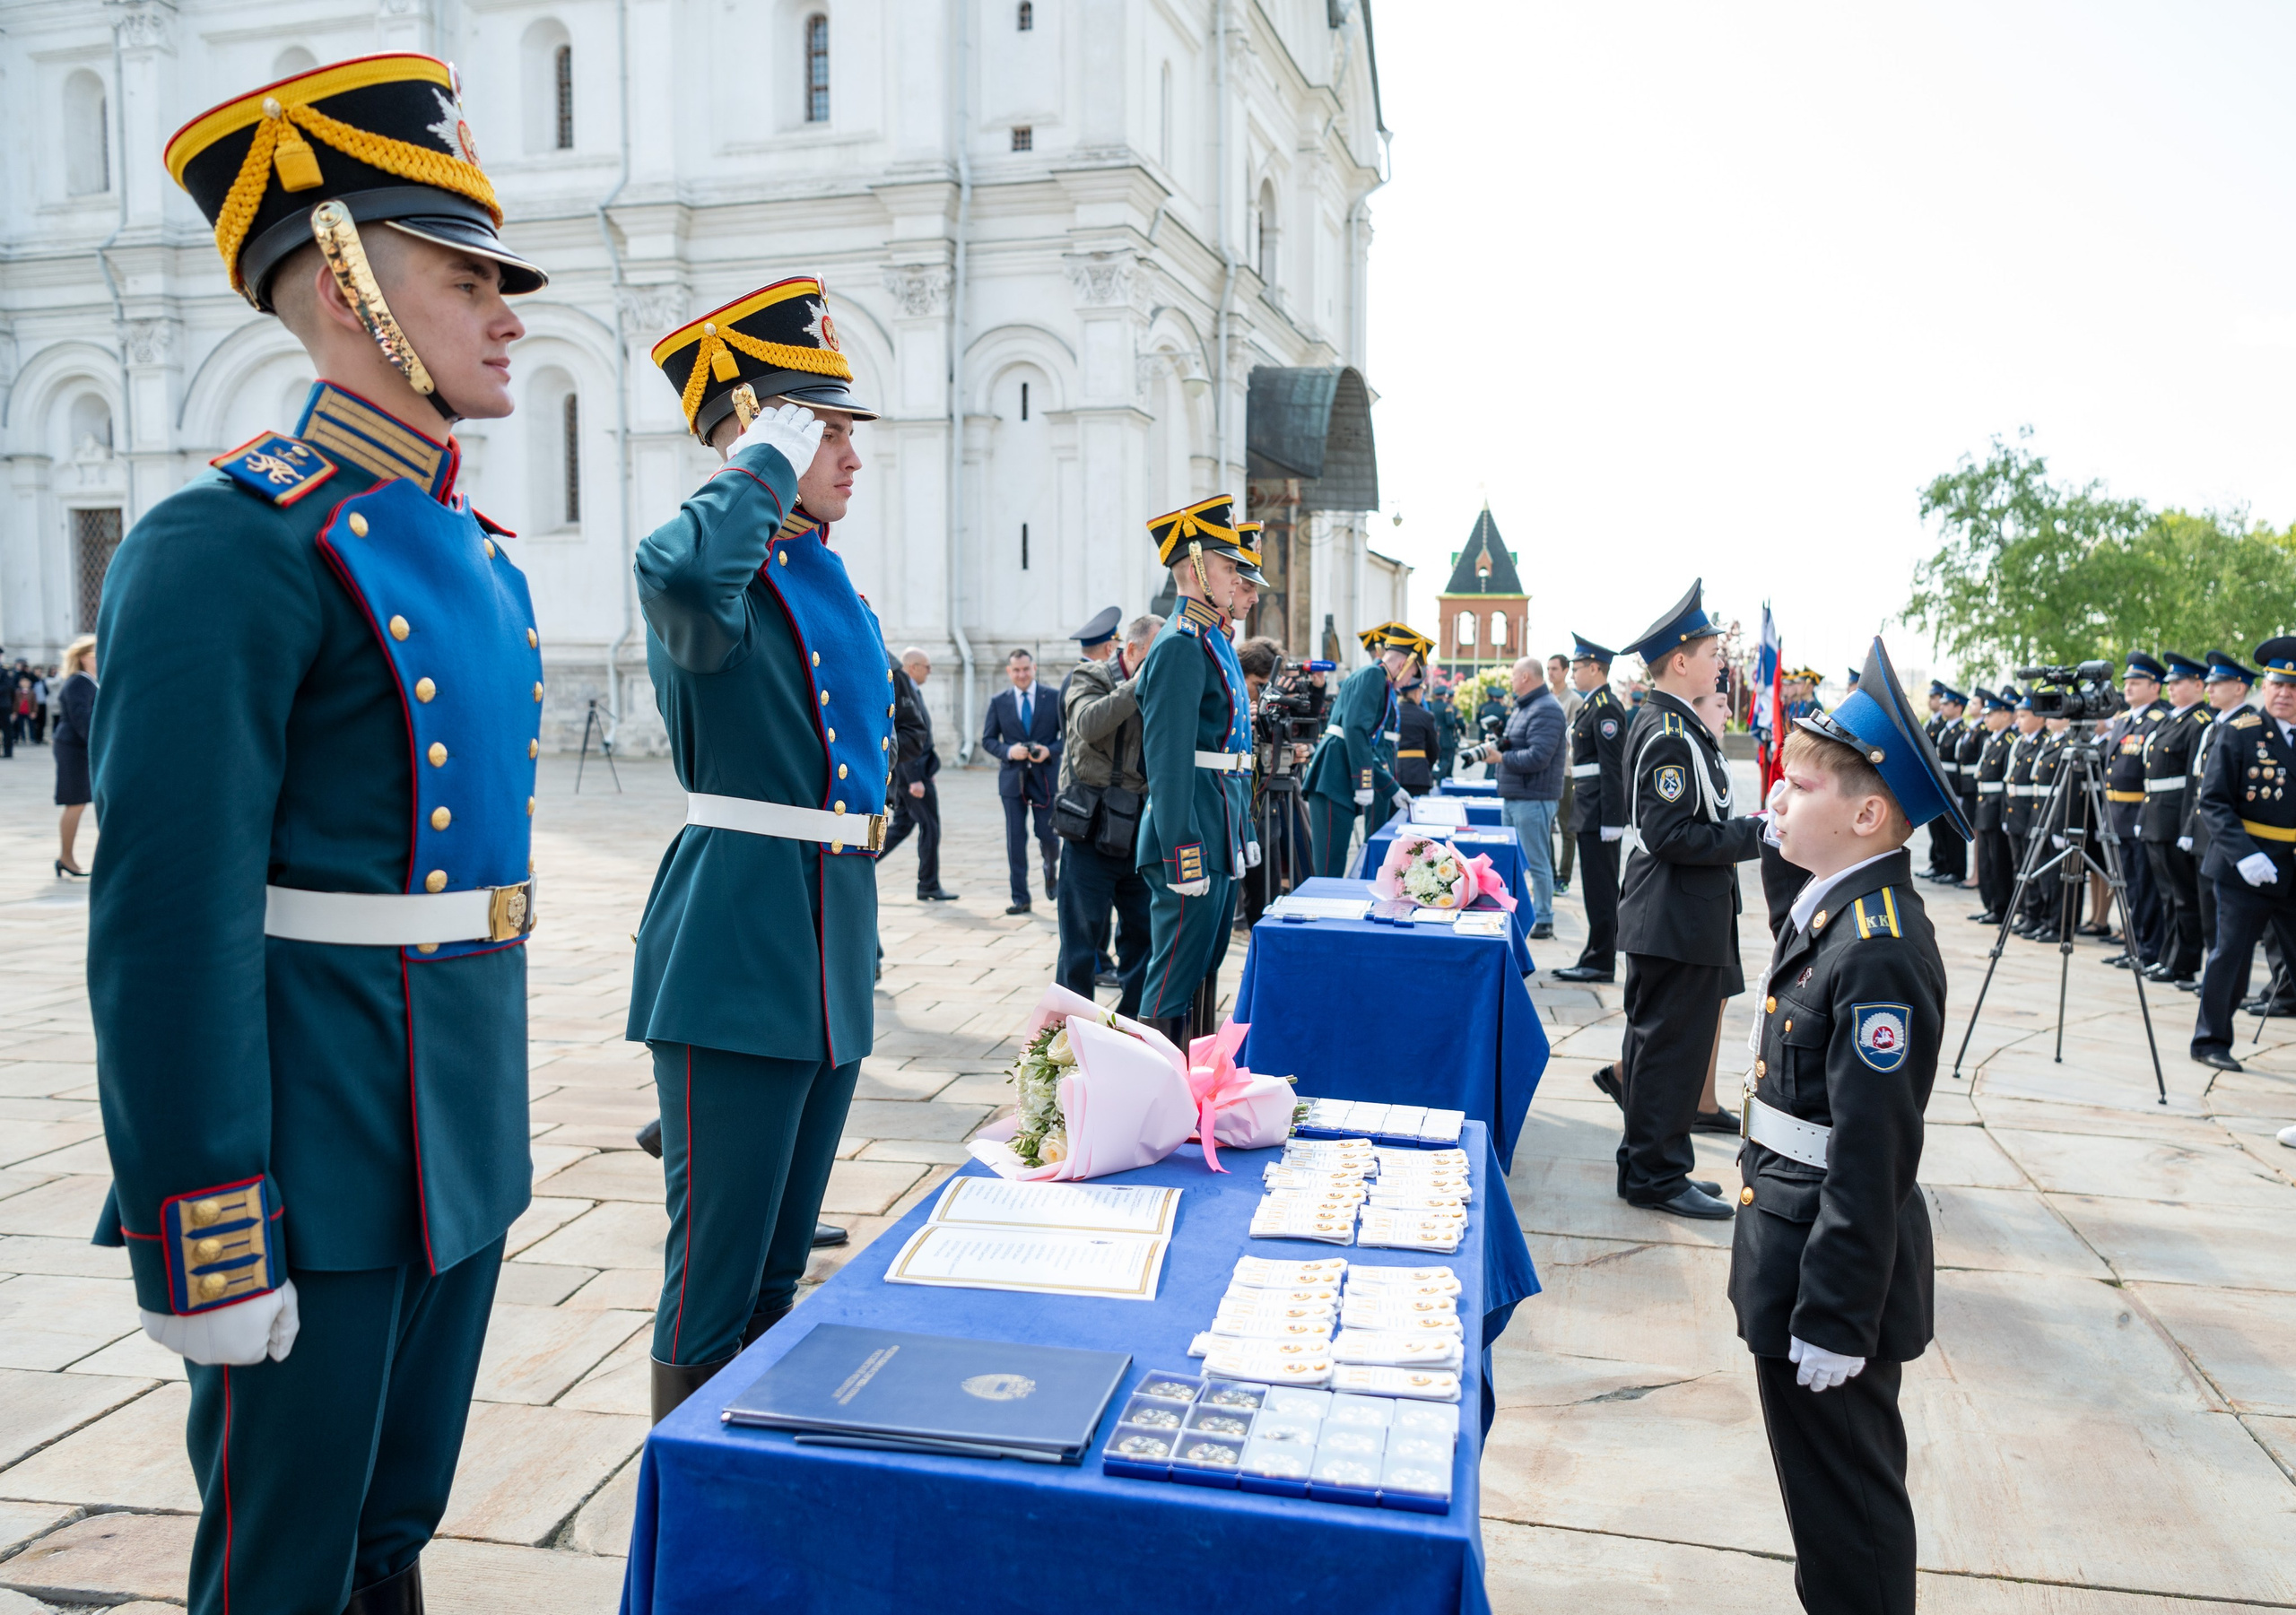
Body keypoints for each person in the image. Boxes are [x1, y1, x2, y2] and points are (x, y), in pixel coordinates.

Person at [88, 55, 549, 1615]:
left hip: (458, 1125)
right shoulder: (229, 545)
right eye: (465, 274)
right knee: (281, 1570)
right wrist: (205, 1229)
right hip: (318, 1147)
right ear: (346, 281)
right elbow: (166, 927)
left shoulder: (472, 552)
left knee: (388, 1543)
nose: (507, 313)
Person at [628, 276, 887, 1421]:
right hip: (736, 942)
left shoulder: (822, 573)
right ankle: (686, 1510)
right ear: (759, 433)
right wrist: (758, 464)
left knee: (780, 1268)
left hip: (825, 939)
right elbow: (682, 573)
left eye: (838, 429)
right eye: (821, 427)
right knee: (715, 1277)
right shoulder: (715, 570)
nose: (847, 451)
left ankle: (755, 1471)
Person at [1735, 636, 1957, 1615]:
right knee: (1821, 1516)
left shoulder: (1878, 949)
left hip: (1833, 1277)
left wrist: (1833, 1315)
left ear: (1867, 815)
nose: (1775, 798)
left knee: (1850, 1520)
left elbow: (1871, 1154)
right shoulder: (1833, 909)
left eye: (1799, 786)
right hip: (1792, 1246)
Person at [1613, 579, 1764, 1220]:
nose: (1719, 662)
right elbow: (1670, 833)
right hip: (1672, 917)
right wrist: (1761, 833)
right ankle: (1652, 1175)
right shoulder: (1669, 732)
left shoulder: (1677, 724)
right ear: (1680, 660)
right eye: (1711, 652)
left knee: (1668, 1051)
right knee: (1668, 1054)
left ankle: (1661, 1165)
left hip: (1680, 917)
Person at [1134, 497, 1257, 1046]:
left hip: (1217, 819)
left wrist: (1241, 832)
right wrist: (1183, 848)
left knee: (1202, 971)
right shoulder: (1182, 645)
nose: (1237, 579)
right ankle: (1148, 1092)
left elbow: (1233, 752)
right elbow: (1168, 761)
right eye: (1230, 567)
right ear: (1197, 566)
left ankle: (1187, 1087)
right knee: (1171, 981)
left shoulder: (1212, 640)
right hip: (1192, 829)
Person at [2187, 637, 2296, 1073]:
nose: (2284, 694)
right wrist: (2245, 856)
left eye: (2293, 687)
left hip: (2292, 869)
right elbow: (2212, 802)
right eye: (2277, 685)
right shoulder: (2240, 733)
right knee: (2229, 957)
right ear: (2265, 688)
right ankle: (2210, 1040)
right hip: (2245, 867)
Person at [1057, 610, 1157, 1014]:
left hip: (1140, 832)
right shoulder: (1091, 677)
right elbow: (1088, 723)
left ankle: (1130, 1038)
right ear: (1130, 650)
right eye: (1154, 656)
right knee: (1080, 947)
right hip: (1091, 831)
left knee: (1143, 942)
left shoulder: (1160, 686)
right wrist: (1138, 684)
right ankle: (1069, 1046)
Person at [1301, 623, 1423, 877]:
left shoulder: (1378, 678)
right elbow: (1356, 729)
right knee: (1328, 869)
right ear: (1404, 663)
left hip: (1339, 772)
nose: (1410, 681)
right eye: (1413, 673)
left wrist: (1391, 787)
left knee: (1333, 864)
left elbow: (1365, 741)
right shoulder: (1373, 676)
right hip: (1334, 773)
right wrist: (1364, 782)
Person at [1553, 634, 1630, 985]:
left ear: (1595, 667)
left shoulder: (1606, 707)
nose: (1573, 674)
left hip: (1600, 813)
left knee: (1601, 890)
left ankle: (1601, 961)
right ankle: (1594, 953)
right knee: (1594, 889)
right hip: (1588, 807)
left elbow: (1614, 768)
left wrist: (1614, 820)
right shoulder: (1591, 705)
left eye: (1579, 667)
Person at [2180, 651, 2256, 977]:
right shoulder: (2215, 726)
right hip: (2204, 831)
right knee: (2209, 911)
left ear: (2239, 688)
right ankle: (2216, 976)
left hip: (2231, 835)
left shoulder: (2249, 727)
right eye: (2208, 683)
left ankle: (2268, 989)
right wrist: (2188, 827)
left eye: (2217, 683)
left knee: (2237, 920)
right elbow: (2198, 783)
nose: (2208, 689)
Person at [2137, 653, 2209, 985]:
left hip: (2175, 818)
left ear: (2198, 685)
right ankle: (2168, 955)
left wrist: (2187, 827)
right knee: (2167, 894)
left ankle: (2183, 962)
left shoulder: (2199, 723)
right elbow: (2150, 777)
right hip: (2156, 815)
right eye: (2170, 683)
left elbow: (2193, 781)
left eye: (2178, 683)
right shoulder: (2170, 720)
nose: (2171, 689)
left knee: (2184, 896)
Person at [2100, 654, 2170, 966]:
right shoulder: (2123, 720)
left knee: (2145, 888)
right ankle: (2133, 943)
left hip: (2140, 816)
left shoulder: (2159, 721)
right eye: (2126, 682)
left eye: (2136, 682)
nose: (2127, 688)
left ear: (2155, 687)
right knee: (2127, 886)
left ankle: (2148, 948)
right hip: (2117, 816)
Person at [983, 647, 1062, 914]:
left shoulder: (1052, 697)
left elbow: (1068, 735)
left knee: (1049, 835)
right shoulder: (999, 701)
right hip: (1012, 780)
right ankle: (1020, 897)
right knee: (1015, 839)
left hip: (1046, 779)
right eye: (1016, 670)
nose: (1022, 674)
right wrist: (1008, 751)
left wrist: (1049, 750)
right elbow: (988, 739)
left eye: (1026, 669)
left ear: (1034, 668)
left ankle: (1051, 868)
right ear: (1009, 671)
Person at [1493, 655, 1566, 942]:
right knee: (1518, 861)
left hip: (1533, 798)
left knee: (1537, 861)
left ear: (1525, 677)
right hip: (1517, 795)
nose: (1511, 680)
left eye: (1514, 675)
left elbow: (1538, 757)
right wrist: (1503, 744)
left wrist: (1501, 756)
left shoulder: (1546, 709)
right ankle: (1520, 913)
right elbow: (1520, 743)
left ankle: (1544, 918)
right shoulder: (1525, 707)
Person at [883, 647, 955, 901]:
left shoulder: (912, 688)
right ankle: (928, 884)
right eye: (927, 666)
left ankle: (867, 858)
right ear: (912, 666)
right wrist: (914, 778)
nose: (931, 670)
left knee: (903, 825)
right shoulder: (901, 682)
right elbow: (903, 734)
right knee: (930, 827)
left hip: (918, 773)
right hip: (912, 777)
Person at [1969, 688, 2017, 924]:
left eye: (1991, 714)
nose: (1986, 718)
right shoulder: (1991, 741)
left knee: (1999, 861)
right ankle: (1989, 904)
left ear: (2007, 715)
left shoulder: (2010, 742)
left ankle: (2001, 907)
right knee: (1986, 861)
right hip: (1984, 805)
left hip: (1997, 807)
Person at [50, 636, 97, 878]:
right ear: (84, 658)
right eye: (96, 653)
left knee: (77, 803)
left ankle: (66, 857)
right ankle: (66, 857)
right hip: (73, 748)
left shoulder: (89, 681)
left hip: (76, 747)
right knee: (75, 803)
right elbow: (83, 720)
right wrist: (98, 745)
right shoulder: (80, 682)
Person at [1920, 687, 1970, 886]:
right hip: (1941, 781)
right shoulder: (1947, 729)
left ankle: (1955, 869)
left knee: (1953, 831)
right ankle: (1943, 865)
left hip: (1952, 783)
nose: (1943, 706)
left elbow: (1959, 765)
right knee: (1940, 828)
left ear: (1958, 707)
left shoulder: (1961, 731)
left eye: (1947, 703)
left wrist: (1958, 791)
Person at [1548, 653, 1583, 890]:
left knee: (1567, 827)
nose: (1550, 673)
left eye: (1554, 669)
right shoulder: (1545, 698)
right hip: (1544, 772)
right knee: (1544, 826)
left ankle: (1563, 877)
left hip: (1565, 772)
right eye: (1548, 669)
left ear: (1565, 671)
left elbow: (1573, 738)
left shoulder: (1574, 701)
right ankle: (1549, 875)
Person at [1395, 678, 1439, 796]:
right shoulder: (1425, 716)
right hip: (1418, 776)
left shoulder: (1393, 713)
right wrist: (1424, 766)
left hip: (1393, 775)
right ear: (1416, 693)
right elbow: (1433, 750)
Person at [1431, 673, 1464, 781]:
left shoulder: (1431, 706)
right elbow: (1450, 722)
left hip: (1434, 736)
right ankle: (1439, 775)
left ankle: (1438, 776)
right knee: (1446, 759)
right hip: (1446, 738)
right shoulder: (1448, 707)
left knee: (1438, 758)